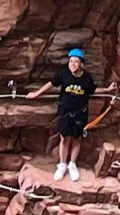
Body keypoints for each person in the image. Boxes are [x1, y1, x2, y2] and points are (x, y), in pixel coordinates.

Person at [28, 48, 104, 181]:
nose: (72, 64)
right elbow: (51, 84)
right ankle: (62, 164)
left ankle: (72, 164)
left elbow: (92, 90)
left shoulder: (86, 78)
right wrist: (36, 93)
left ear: (81, 63)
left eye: (76, 61)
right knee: (65, 138)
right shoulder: (63, 73)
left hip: (80, 112)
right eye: (70, 61)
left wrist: (108, 89)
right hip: (65, 112)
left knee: (76, 139)